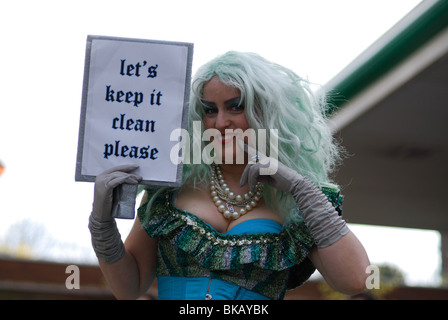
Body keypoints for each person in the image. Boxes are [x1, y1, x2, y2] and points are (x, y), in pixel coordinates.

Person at [88, 51, 370, 300]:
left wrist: (301, 189)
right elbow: (130, 288)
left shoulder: (297, 201)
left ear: (267, 110)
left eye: (236, 106)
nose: (221, 122)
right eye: (210, 110)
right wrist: (102, 226)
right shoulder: (170, 188)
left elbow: (355, 280)